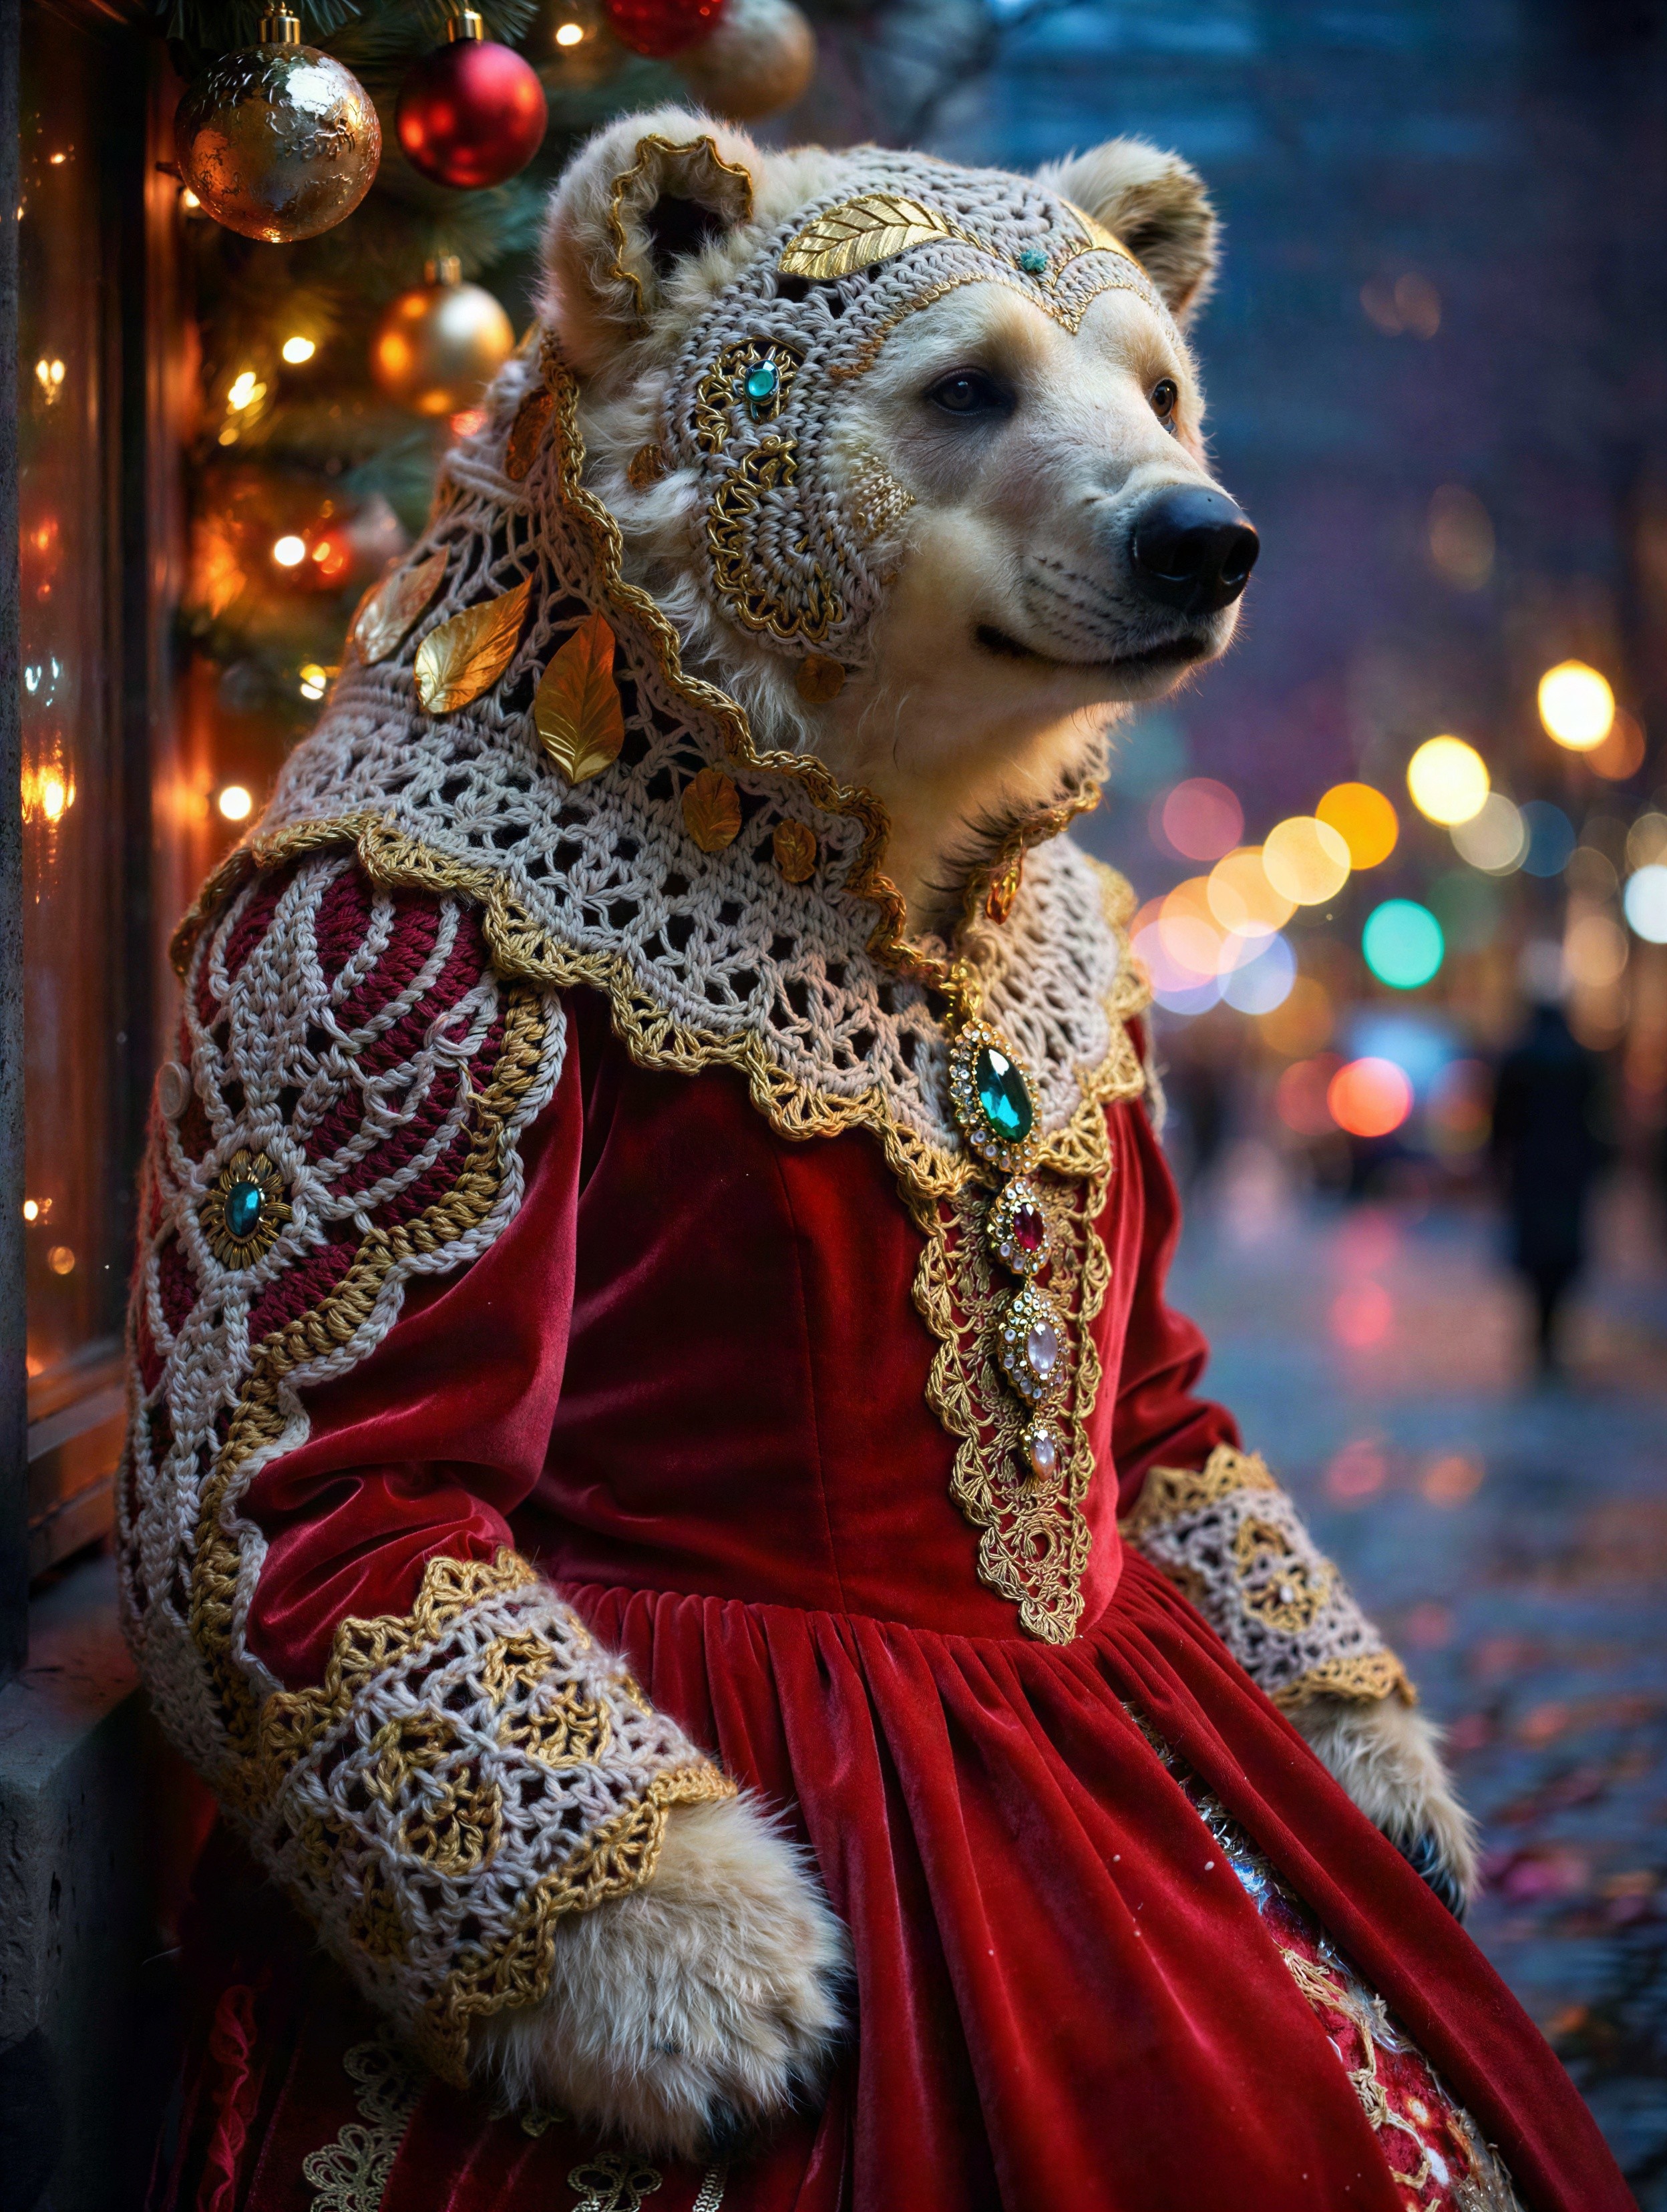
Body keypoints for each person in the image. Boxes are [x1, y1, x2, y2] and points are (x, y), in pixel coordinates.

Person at [124, 111, 1630, 2211]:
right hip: (715, 1831)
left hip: (1097, 1764)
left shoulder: (1047, 926)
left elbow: (1142, 1412)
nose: (1173, 494)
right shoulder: (421, 912)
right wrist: (607, 1914)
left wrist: (1319, 1702)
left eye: (1148, 391)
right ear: (698, 409)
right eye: (964, 393)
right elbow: (283, 1516)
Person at [1491, 982, 1609, 1374]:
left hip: (1533, 1170)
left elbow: (1502, 1123)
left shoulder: (1520, 1059)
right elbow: (1598, 1119)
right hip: (1569, 1171)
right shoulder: (1581, 1059)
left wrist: (1498, 1166)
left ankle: (1542, 1332)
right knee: (1561, 1252)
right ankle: (1551, 1332)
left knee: (1537, 1253)